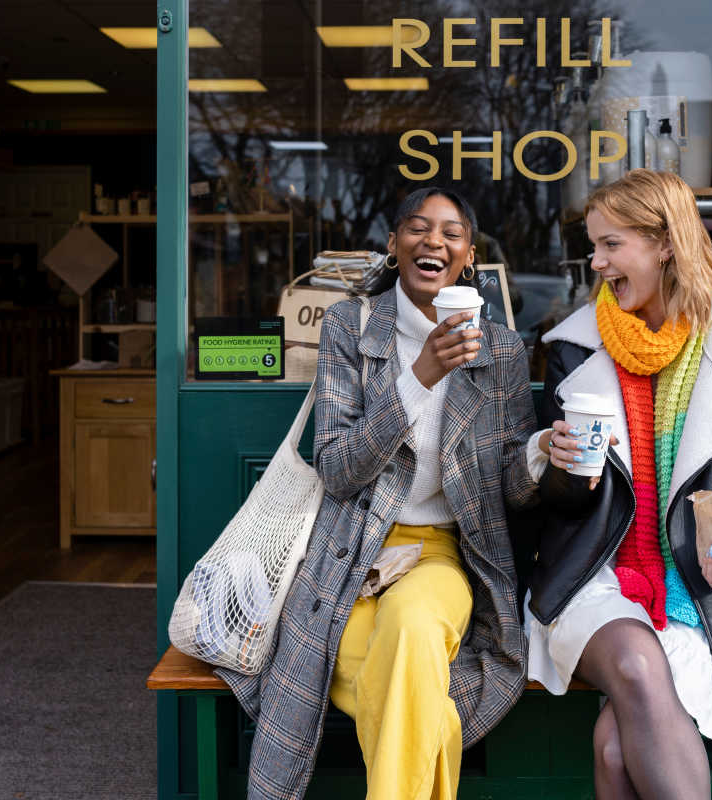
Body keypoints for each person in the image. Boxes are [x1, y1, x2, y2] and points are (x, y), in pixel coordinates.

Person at [219, 187, 546, 800]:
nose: (434, 242)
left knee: (415, 626)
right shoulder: (351, 326)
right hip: (348, 551)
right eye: (418, 229)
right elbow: (339, 468)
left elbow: (511, 488)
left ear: (468, 257)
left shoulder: (499, 349)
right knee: (414, 679)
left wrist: (538, 455)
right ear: (394, 246)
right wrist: (421, 375)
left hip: (443, 552)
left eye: (451, 233)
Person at [525, 169, 712, 799]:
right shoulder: (574, 350)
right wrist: (555, 463)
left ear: (664, 244)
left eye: (612, 245)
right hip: (595, 579)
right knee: (633, 662)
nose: (597, 262)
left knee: (613, 747)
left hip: (700, 592)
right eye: (594, 246)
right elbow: (558, 506)